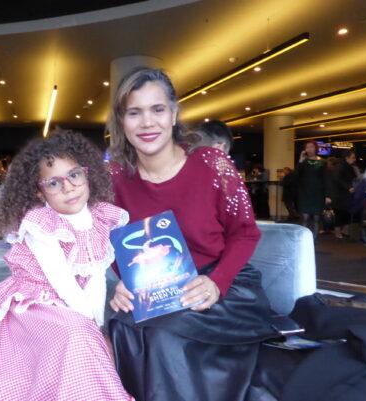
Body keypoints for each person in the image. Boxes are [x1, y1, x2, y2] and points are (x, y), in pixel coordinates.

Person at [106, 67, 277, 401]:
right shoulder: (115, 177)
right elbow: (110, 242)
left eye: (157, 109)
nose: (147, 123)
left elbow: (245, 233)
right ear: (121, 122)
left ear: (173, 115)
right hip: (156, 285)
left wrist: (218, 282)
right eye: (134, 113)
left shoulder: (211, 164)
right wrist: (123, 281)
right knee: (122, 325)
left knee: (164, 333)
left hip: (222, 284)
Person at [0, 130, 132, 401]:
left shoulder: (99, 218)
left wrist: (98, 326)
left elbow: (94, 277)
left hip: (73, 307)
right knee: (76, 335)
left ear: (87, 173)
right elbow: (62, 281)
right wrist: (88, 326)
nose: (68, 187)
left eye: (74, 175)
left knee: (85, 335)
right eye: (54, 183)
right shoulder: (41, 223)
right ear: (40, 191)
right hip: (37, 303)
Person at [295, 140, 328, 240]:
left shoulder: (323, 162)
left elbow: (326, 179)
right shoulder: (303, 162)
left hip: (318, 193)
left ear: (316, 148)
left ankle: (314, 239)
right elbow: (297, 175)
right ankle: (304, 240)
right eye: (307, 147)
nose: (309, 149)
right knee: (305, 217)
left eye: (311, 147)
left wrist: (327, 195)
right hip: (305, 193)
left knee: (316, 218)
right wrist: (300, 161)